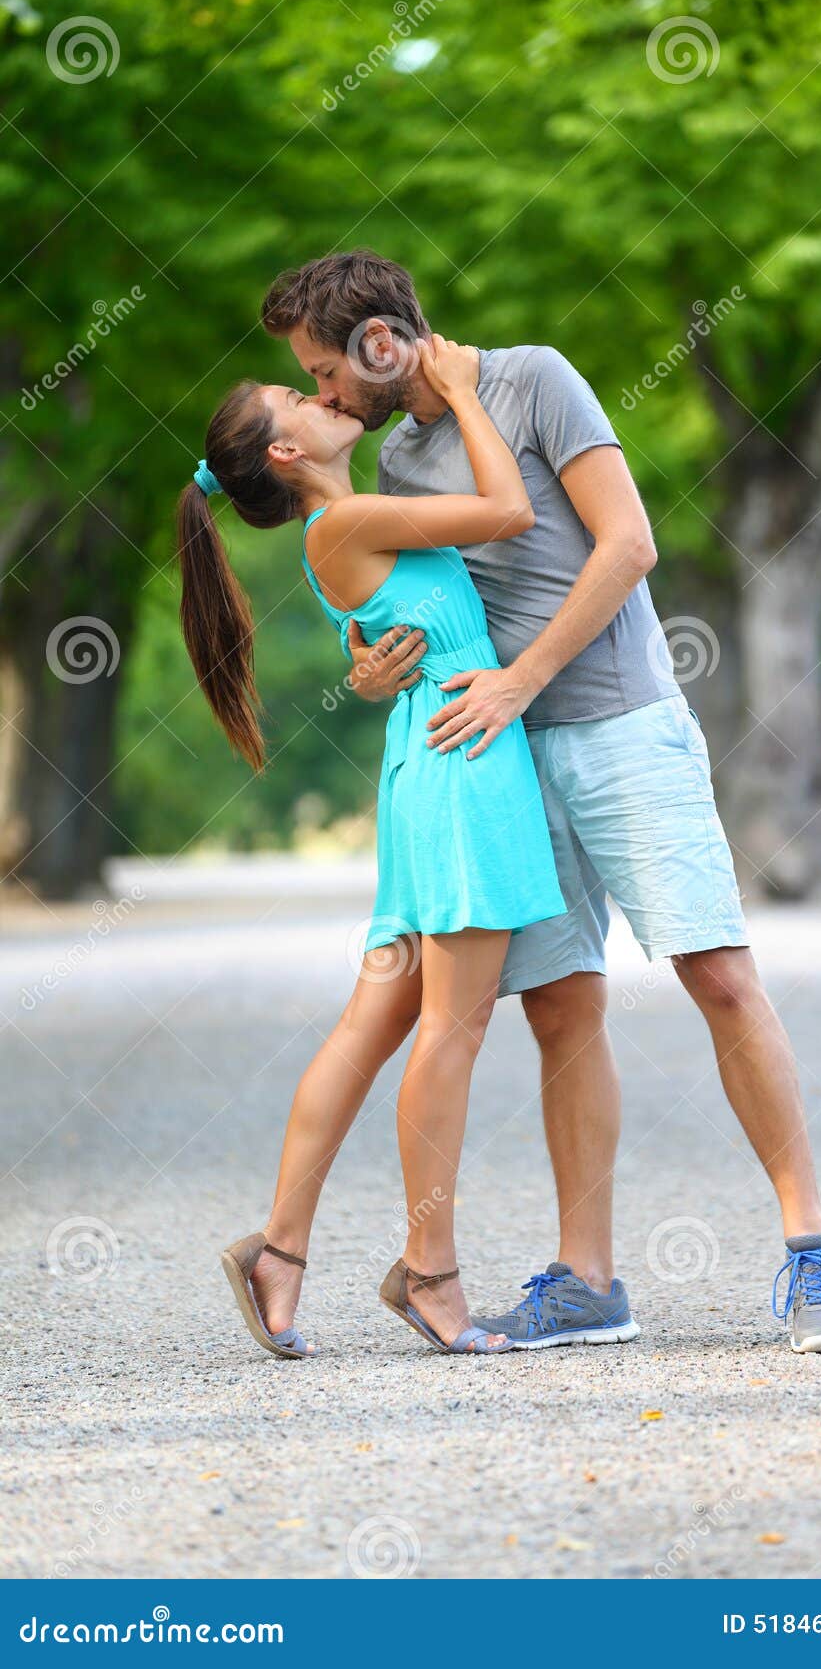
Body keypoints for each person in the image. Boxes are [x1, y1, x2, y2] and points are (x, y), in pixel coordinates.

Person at [262, 249, 821, 1356]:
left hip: (620, 721)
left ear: (380, 340)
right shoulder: (395, 451)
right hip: (502, 760)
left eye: (323, 369)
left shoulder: (535, 379)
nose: (323, 394)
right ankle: (588, 1279)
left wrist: (522, 678)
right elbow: (419, 598)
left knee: (719, 974)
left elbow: (626, 542)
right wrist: (368, 664)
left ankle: (809, 1245)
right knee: (560, 1011)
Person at [176, 336, 568, 1358]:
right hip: (459, 778)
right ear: (285, 454)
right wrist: (461, 393)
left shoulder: (342, 525)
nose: (318, 391)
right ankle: (429, 1272)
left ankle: (279, 1252)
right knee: (451, 1031)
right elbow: (508, 509)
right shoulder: (345, 520)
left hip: (427, 769)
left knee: (374, 1025)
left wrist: (367, 669)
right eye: (291, 396)